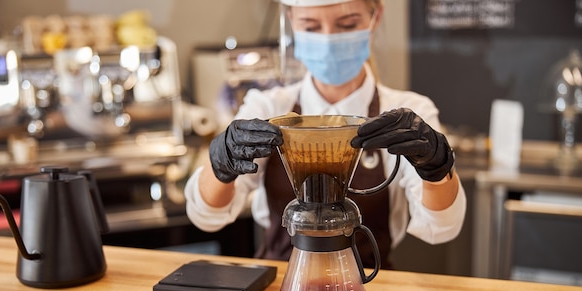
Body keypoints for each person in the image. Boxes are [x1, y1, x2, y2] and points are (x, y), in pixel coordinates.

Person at [184, 0, 466, 269]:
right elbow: (207, 216)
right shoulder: (267, 107)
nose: (329, 39)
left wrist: (436, 167)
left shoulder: (408, 113)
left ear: (375, 17)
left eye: (347, 24)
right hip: (280, 287)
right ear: (292, 20)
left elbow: (441, 227)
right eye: (311, 26)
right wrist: (221, 163)